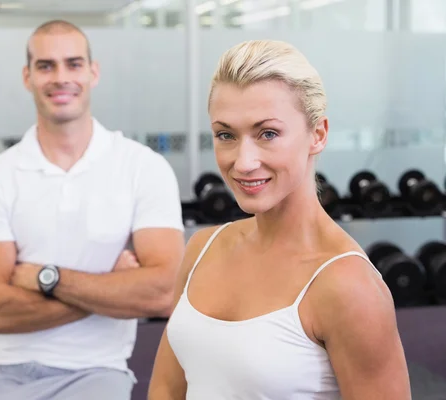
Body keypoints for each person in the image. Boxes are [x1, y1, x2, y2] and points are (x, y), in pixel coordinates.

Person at [148, 40, 411, 399]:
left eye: (267, 134)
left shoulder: (348, 287)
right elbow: (166, 388)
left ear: (317, 134)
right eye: (226, 135)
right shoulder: (201, 249)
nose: (243, 162)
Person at [0, 20, 185, 400]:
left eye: (73, 63)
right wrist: (109, 288)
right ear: (27, 76)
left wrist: (44, 277)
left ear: (93, 72)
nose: (60, 77)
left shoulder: (142, 168)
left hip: (96, 372)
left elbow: (163, 292)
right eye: (46, 66)